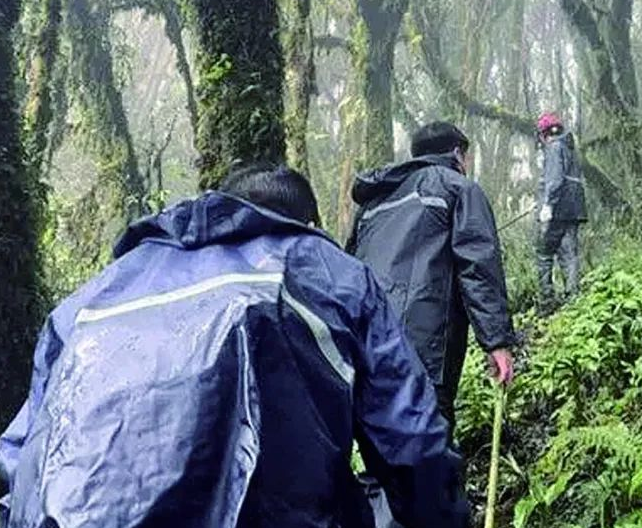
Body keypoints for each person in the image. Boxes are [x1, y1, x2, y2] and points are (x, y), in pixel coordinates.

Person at [0, 164, 467, 528]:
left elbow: (14, 464)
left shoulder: (89, 300)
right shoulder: (327, 273)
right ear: (308, 222)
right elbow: (413, 446)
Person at [345, 121, 515, 436]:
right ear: (457, 153)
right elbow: (477, 266)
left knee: (382, 457)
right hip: (424, 351)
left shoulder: (372, 204)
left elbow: (348, 272)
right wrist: (497, 343)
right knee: (428, 453)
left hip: (367, 346)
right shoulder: (458, 188)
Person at [535, 113, 588, 313]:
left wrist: (547, 205)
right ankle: (573, 298)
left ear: (543, 134)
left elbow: (555, 180)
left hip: (557, 210)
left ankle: (547, 299)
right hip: (573, 210)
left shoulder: (554, 147)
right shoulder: (568, 148)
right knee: (569, 254)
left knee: (543, 253)